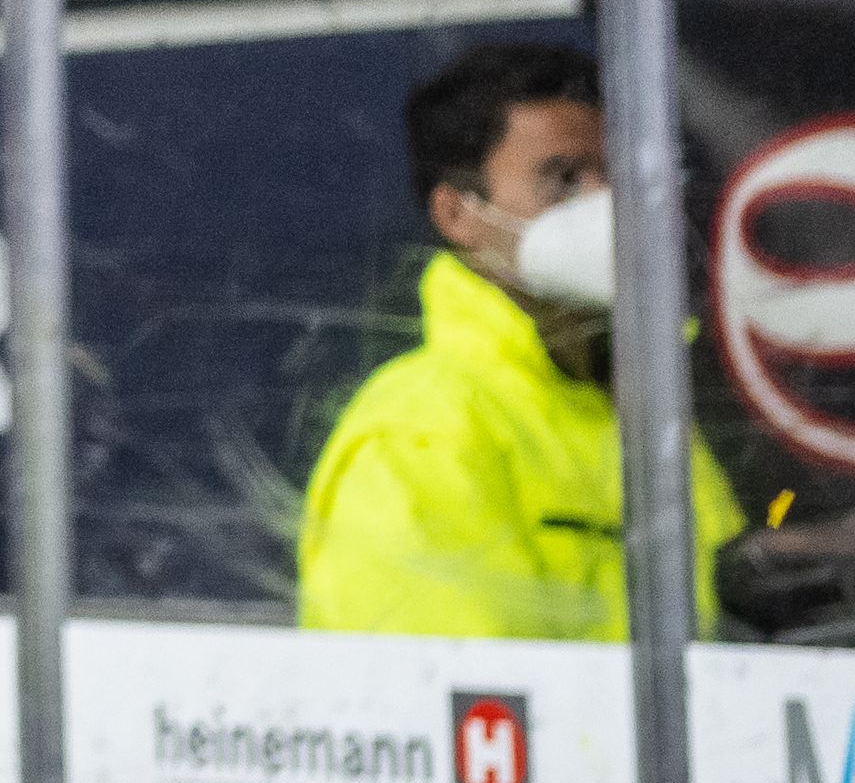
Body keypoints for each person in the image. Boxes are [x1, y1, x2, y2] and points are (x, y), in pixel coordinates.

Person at [294, 41, 739, 639]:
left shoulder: (638, 409)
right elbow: (457, 708)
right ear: (458, 216)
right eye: (562, 179)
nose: (606, 205)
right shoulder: (422, 435)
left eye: (616, 175)